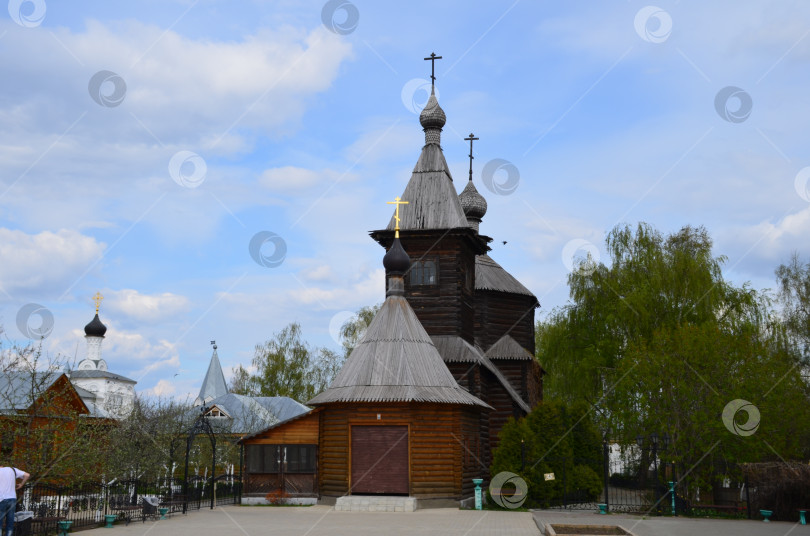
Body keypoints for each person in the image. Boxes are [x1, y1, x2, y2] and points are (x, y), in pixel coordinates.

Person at [0, 466, 29, 536]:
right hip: (12, 499)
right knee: (10, 523)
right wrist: (21, 484)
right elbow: (27, 475)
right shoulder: (13, 470)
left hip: (1, 499)